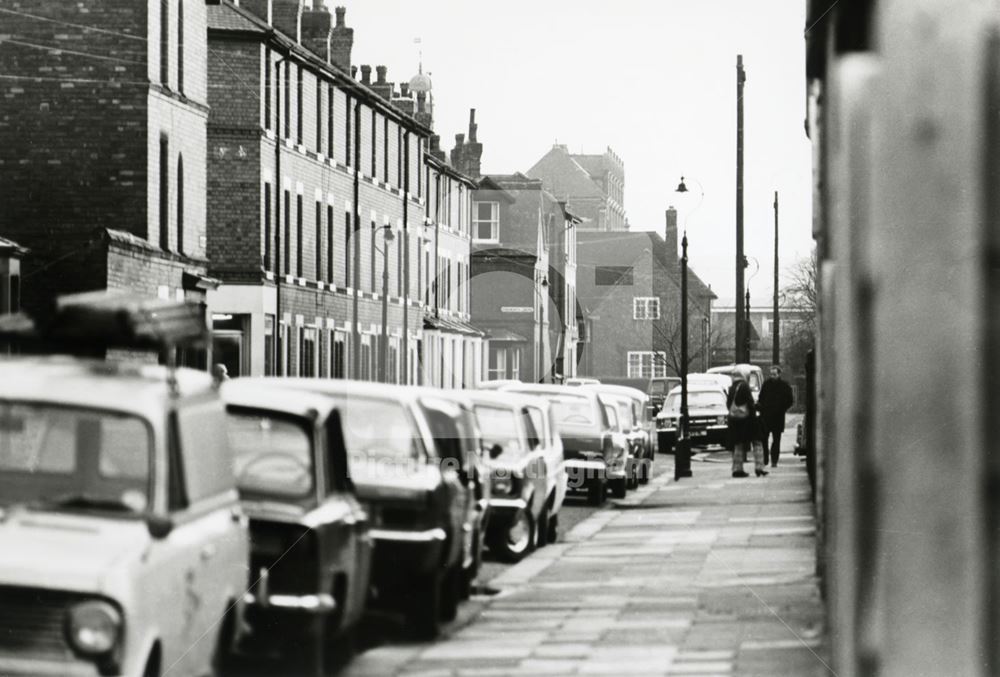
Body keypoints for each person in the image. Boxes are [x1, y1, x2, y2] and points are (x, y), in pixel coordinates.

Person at [726, 377, 766, 478]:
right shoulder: (744, 386)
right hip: (748, 421)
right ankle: (759, 467)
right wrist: (756, 410)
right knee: (757, 442)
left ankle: (737, 469)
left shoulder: (732, 388)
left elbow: (728, 404)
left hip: (735, 421)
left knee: (738, 444)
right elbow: (750, 403)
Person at [756, 365, 795, 467]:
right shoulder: (766, 385)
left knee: (776, 440)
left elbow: (790, 400)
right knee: (764, 439)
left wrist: (782, 408)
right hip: (767, 416)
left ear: (779, 374)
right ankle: (766, 459)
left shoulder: (784, 386)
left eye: (774, 374)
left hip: (777, 416)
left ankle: (774, 460)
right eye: (771, 374)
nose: (772, 376)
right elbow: (761, 398)